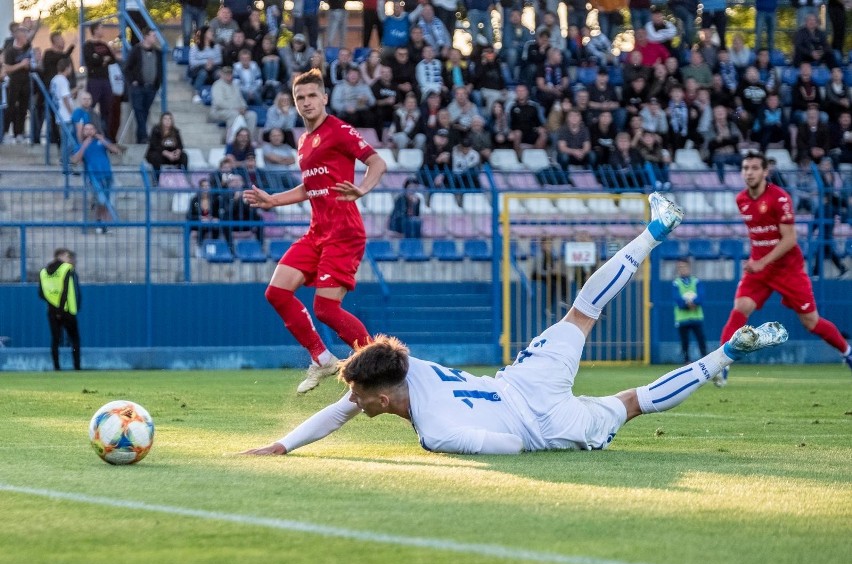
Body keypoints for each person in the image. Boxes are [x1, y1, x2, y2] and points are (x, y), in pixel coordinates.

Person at [242, 193, 790, 457]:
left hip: (542, 425)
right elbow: (334, 414)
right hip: (520, 381)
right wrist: (281, 447)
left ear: (381, 398)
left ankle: (725, 357)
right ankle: (655, 229)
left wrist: (464, 448)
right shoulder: (410, 368)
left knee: (633, 403)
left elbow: (506, 447)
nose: (353, 404)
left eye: (359, 397)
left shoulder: (435, 432)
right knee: (582, 311)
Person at [243, 69, 388, 393]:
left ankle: (380, 367)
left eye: (312, 96)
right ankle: (322, 358)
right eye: (300, 98)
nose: (306, 102)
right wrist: (273, 200)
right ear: (295, 103)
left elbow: (377, 162)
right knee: (277, 292)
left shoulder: (339, 130)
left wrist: (363, 188)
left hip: (344, 232)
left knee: (325, 308)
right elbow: (311, 186)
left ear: (324, 98)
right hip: (317, 231)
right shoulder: (304, 141)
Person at [715, 152, 852, 386]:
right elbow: (760, 236)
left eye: (754, 168)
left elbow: (789, 240)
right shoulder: (741, 199)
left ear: (765, 171)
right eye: (745, 168)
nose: (749, 172)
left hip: (788, 269)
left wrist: (761, 262)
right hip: (760, 269)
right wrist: (757, 262)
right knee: (741, 307)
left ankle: (847, 351)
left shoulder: (780, 198)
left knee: (811, 322)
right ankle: (720, 365)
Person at [70, 123, 122, 234]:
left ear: (95, 130)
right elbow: (74, 160)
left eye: (91, 129)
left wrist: (103, 140)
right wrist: (84, 145)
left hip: (107, 175)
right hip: (94, 178)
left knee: (108, 201)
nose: (89, 131)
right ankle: (99, 223)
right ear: (83, 132)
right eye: (86, 129)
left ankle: (104, 225)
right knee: (101, 200)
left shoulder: (102, 142)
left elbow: (116, 151)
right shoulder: (79, 145)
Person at [38, 248, 81, 371]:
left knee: (55, 339)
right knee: (74, 339)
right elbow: (66, 291)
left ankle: (57, 367)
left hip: (51, 311)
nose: (70, 259)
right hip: (67, 310)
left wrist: (54, 306)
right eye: (67, 256)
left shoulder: (43, 272)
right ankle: (77, 366)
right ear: (60, 256)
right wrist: (61, 310)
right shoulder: (66, 269)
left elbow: (41, 293)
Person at [124, 28, 164, 144]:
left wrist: (158, 83)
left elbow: (159, 69)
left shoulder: (157, 52)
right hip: (138, 87)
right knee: (139, 111)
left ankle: (140, 138)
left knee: (144, 113)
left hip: (151, 87)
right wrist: (133, 81)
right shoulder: (136, 50)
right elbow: (127, 68)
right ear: (145, 36)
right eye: (152, 35)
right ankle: (144, 136)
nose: (154, 38)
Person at [672, 258, 708, 364]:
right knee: (685, 341)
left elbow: (701, 296)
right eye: (680, 267)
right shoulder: (676, 283)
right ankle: (686, 361)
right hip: (682, 318)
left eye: (684, 267)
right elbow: (677, 299)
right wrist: (687, 304)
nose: (682, 269)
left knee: (701, 339)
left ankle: (705, 359)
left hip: (696, 317)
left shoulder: (696, 281)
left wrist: (694, 302)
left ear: (689, 268)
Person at [145, 112, 188, 178]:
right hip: (160, 154)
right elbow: (154, 145)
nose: (167, 121)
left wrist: (178, 152)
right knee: (155, 157)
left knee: (184, 156)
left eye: (169, 119)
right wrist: (167, 153)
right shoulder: (156, 130)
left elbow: (180, 145)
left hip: (172, 156)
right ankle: (157, 179)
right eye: (165, 119)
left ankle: (182, 177)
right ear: (161, 120)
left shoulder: (176, 131)